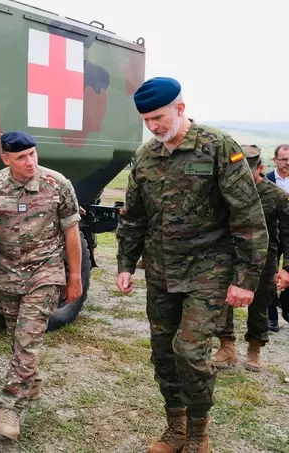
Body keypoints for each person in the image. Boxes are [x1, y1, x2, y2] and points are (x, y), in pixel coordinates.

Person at [115, 77, 268, 453]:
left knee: (189, 350)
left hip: (208, 269)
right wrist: (124, 262)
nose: (153, 126)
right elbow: (133, 216)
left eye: (159, 117)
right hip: (161, 270)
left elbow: (247, 215)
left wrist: (245, 279)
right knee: (163, 351)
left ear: (180, 109)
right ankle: (175, 429)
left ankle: (199, 431)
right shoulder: (146, 156)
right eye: (146, 120)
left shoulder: (217, 147)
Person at [0, 130, 83, 441]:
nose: (30, 161)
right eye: (21, 157)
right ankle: (31, 381)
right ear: (6, 159)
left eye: (33, 154)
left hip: (46, 273)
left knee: (27, 339)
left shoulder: (57, 184)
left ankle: (10, 407)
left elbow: (72, 232)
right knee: (16, 336)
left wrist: (75, 276)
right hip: (7, 273)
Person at [211, 145, 288, 372]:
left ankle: (255, 348)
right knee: (223, 302)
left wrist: (287, 268)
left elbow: (288, 234)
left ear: (261, 168)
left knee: (260, 305)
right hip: (228, 256)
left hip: (264, 260)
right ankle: (227, 347)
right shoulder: (226, 193)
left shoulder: (277, 196)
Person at [266, 143, 289, 331]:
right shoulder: (267, 180)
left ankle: (287, 309)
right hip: (272, 236)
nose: (287, 163)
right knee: (270, 275)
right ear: (275, 160)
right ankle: (271, 317)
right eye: (283, 159)